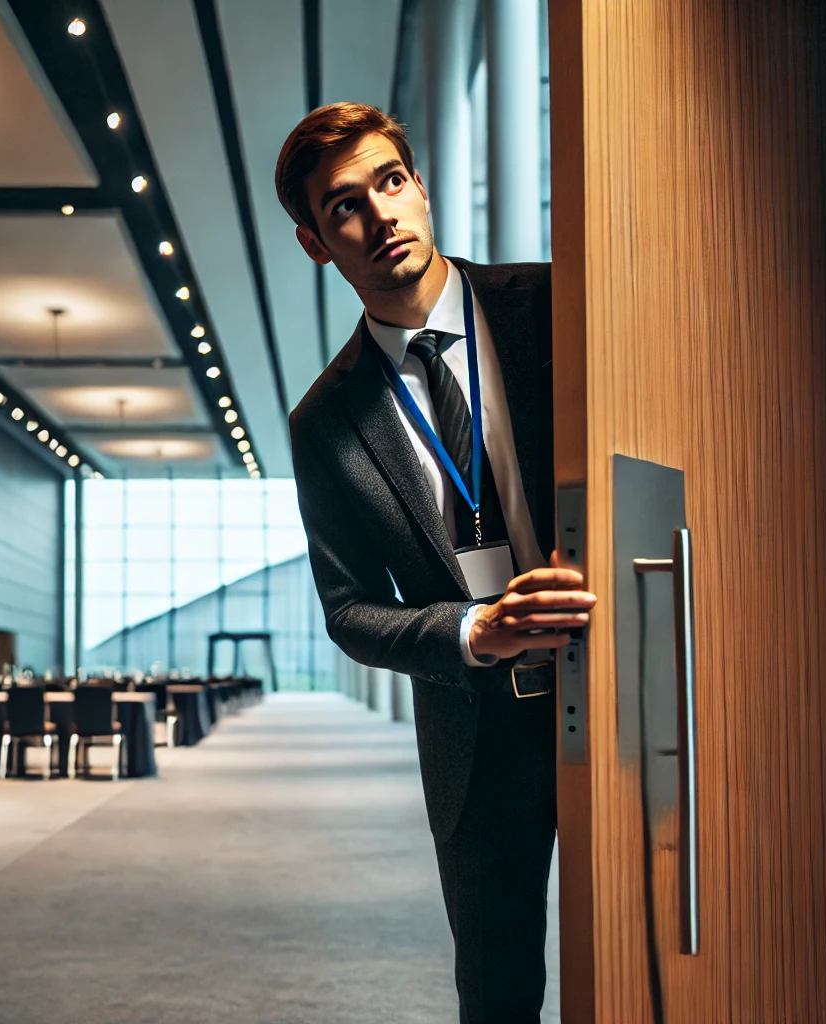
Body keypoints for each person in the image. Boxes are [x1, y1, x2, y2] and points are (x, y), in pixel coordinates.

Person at [275, 102, 597, 1023]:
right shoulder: (324, 422)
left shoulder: (557, 305)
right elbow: (347, 611)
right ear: (315, 242)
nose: (380, 218)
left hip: (613, 685)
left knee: (652, 949)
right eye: (345, 206)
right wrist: (471, 629)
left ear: (419, 186)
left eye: (390, 182)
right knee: (497, 992)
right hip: (476, 732)